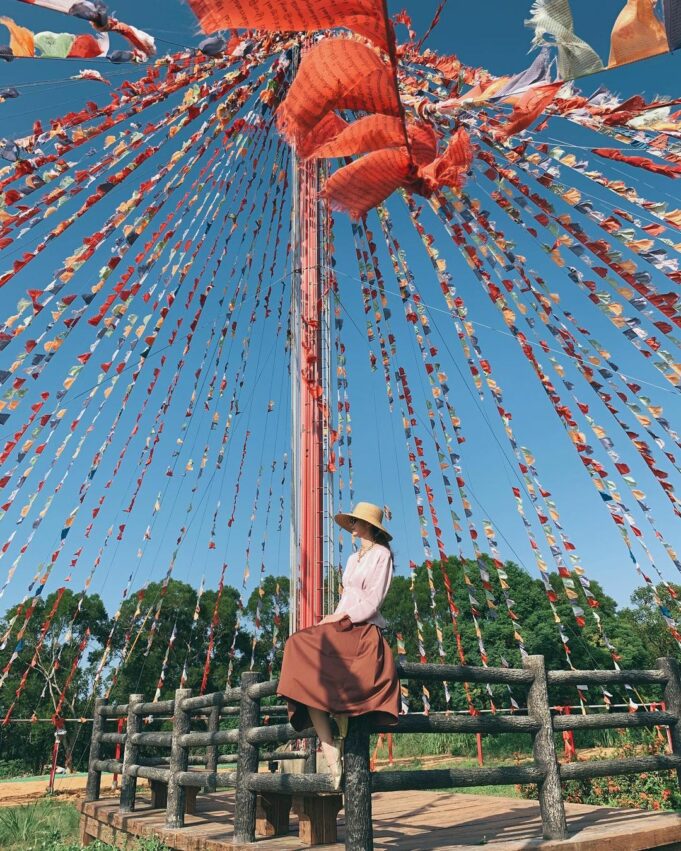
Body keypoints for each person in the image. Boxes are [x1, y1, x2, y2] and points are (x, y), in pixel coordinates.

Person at [277, 502, 400, 788]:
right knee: (297, 646)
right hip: (341, 623)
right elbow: (347, 599)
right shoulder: (353, 559)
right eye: (352, 521)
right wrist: (332, 619)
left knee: (304, 648)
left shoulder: (382, 556)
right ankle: (329, 745)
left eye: (356, 522)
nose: (352, 526)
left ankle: (341, 720)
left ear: (369, 526)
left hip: (362, 627)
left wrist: (339, 618)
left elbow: (372, 602)